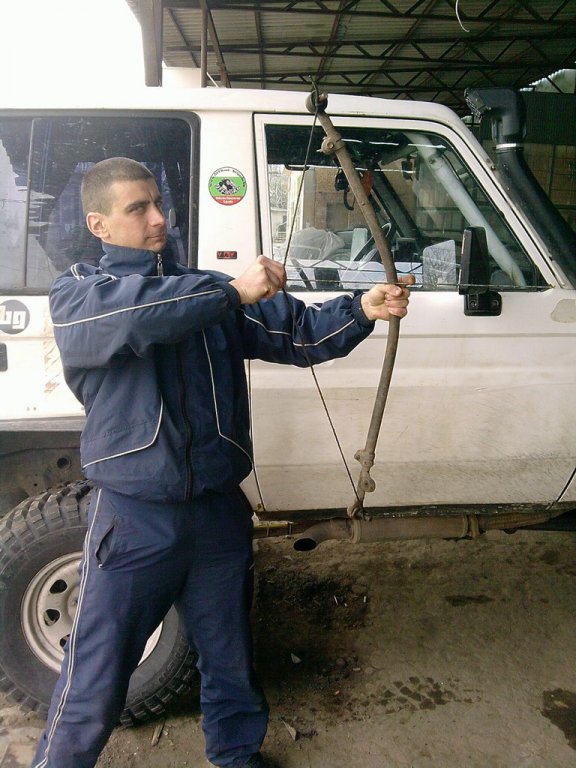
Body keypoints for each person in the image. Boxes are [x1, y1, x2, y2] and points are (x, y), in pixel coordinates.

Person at [32, 157, 413, 768]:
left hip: (216, 513)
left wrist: (363, 308)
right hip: (134, 520)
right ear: (98, 225)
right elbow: (137, 316)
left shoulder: (208, 291)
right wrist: (231, 292)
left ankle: (236, 756)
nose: (159, 218)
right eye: (138, 208)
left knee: (230, 656)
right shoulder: (82, 293)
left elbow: (300, 335)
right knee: (96, 672)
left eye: (158, 203)